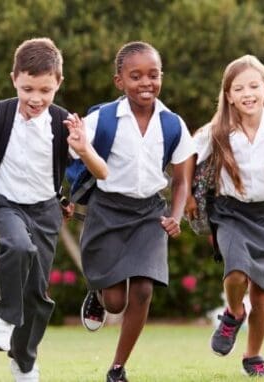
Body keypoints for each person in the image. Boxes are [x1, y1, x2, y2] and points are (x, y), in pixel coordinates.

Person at [0, 37, 107, 381]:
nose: (36, 98)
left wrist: (83, 147)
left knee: (38, 295)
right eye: (28, 88)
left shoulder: (67, 124)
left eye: (45, 90)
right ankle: (2, 317)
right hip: (2, 202)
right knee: (17, 245)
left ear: (58, 83)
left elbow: (101, 171)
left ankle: (24, 359)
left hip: (45, 209)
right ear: (14, 78)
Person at [76, 41, 195, 382]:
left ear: (161, 77)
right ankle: (98, 293)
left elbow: (181, 180)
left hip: (149, 214)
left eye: (153, 75)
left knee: (143, 289)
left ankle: (117, 368)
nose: (146, 83)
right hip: (107, 209)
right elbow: (72, 156)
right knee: (115, 302)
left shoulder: (172, 124)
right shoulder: (102, 119)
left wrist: (176, 216)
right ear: (119, 82)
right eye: (136, 76)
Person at [185, 55, 264, 378]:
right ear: (228, 95)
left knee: (263, 291)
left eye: (254, 86)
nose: (247, 93)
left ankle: (253, 357)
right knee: (237, 272)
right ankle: (234, 313)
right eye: (238, 88)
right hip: (231, 213)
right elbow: (186, 153)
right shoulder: (218, 130)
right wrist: (185, 194)